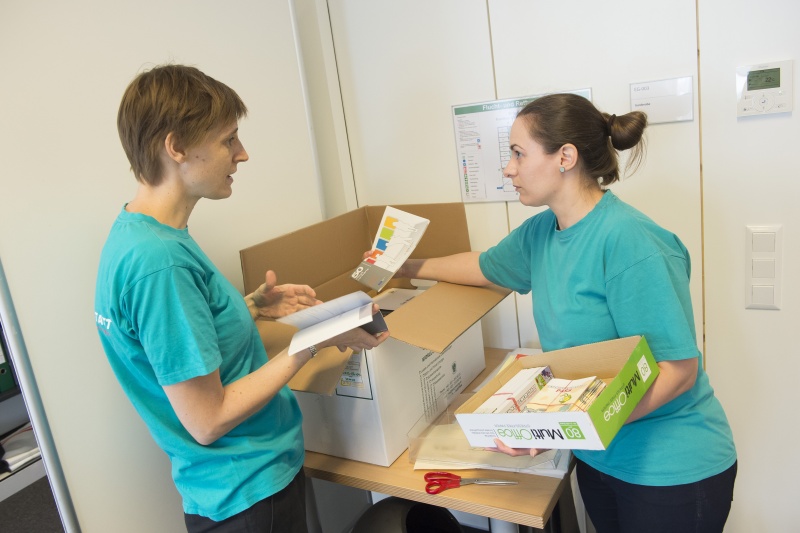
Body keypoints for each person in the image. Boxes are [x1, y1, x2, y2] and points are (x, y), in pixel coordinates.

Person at [397, 93, 737, 533]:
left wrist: (560, 429)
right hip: (599, 460)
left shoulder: (630, 242)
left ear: (566, 157)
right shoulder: (542, 233)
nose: (508, 168)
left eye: (518, 153)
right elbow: (482, 267)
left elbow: (678, 370)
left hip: (671, 470)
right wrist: (405, 268)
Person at [94, 64, 389, 532]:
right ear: (177, 147)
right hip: (246, 494)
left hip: (235, 487)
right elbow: (207, 420)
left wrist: (249, 308)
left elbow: (174, 341)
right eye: (228, 140)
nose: (242, 154)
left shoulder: (139, 236)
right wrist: (313, 338)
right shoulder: (160, 264)